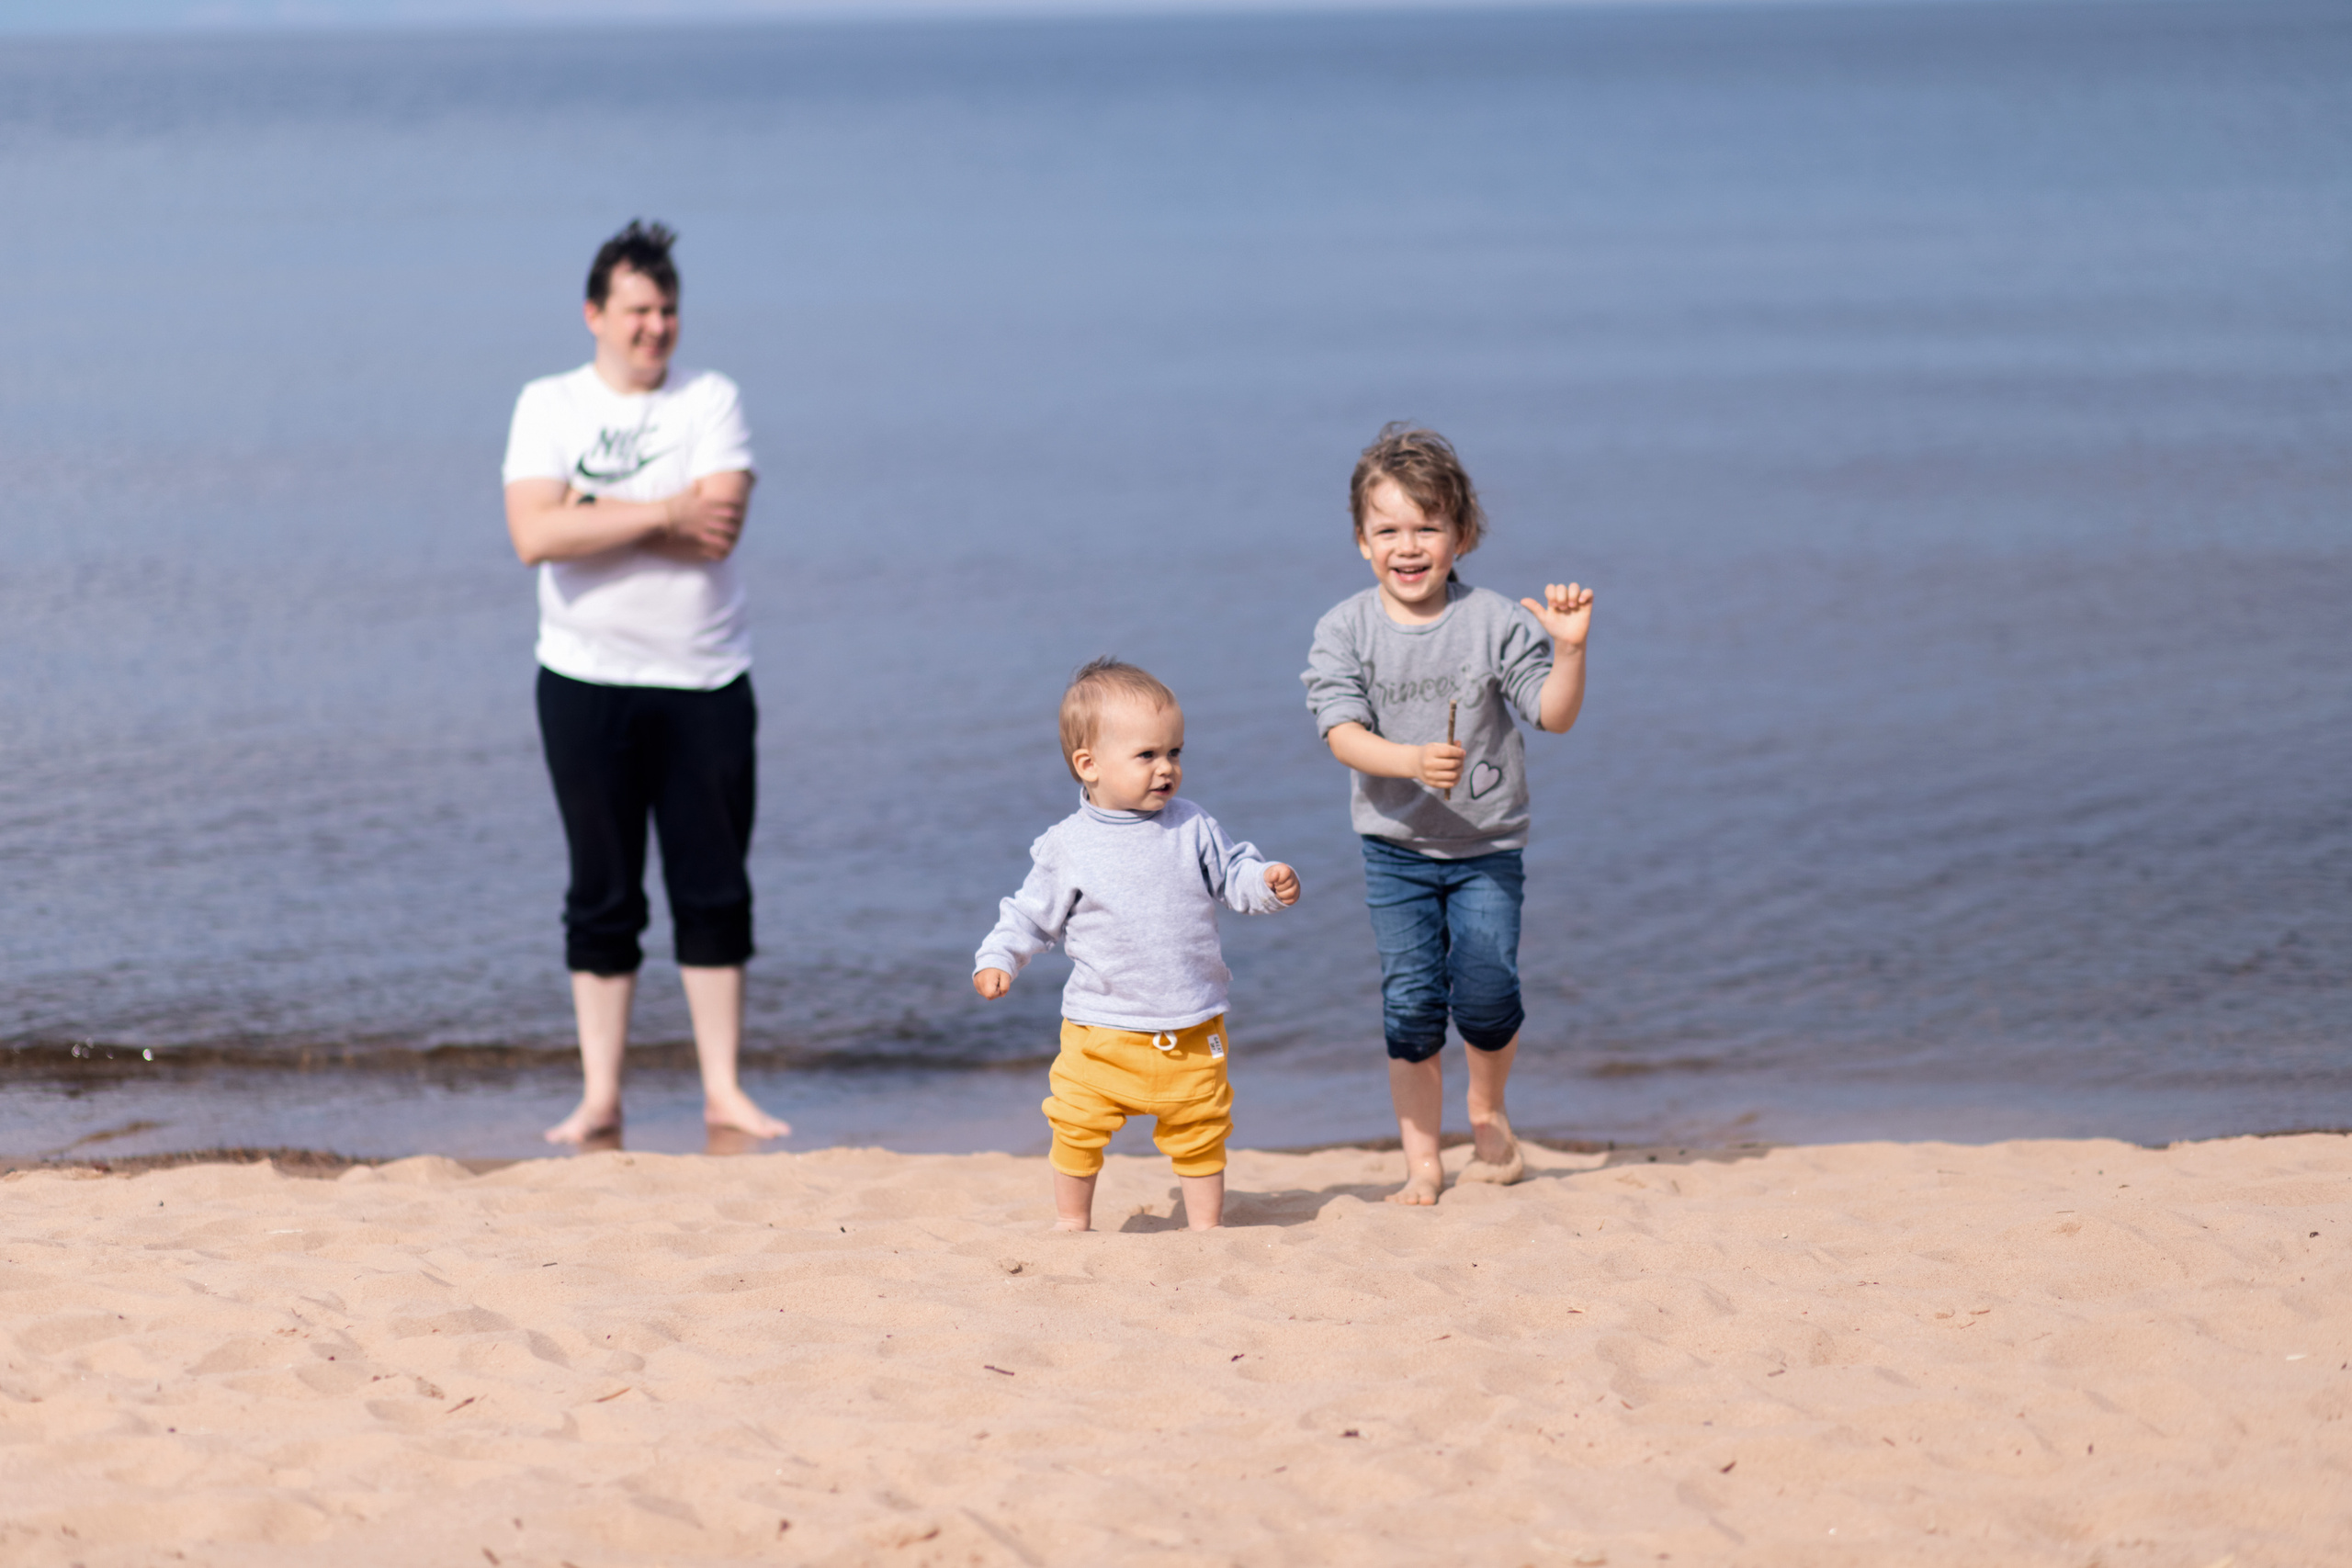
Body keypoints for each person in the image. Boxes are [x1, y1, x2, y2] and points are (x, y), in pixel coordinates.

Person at [501, 219, 788, 1147]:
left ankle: (723, 1092)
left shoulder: (714, 398)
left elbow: (720, 530)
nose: (654, 327)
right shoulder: (547, 403)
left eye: (667, 309)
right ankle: (600, 1098)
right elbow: (532, 537)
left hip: (705, 680)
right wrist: (664, 506)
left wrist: (594, 510)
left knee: (713, 888)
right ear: (594, 314)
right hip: (584, 682)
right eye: (636, 310)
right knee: (602, 891)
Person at [1300, 424, 1594, 1206]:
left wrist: (1568, 651)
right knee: (1412, 1004)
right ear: (1363, 541)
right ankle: (1423, 1160)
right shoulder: (1345, 629)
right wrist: (1409, 760)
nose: (1409, 545)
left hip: (1487, 844)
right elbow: (1341, 733)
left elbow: (1552, 715)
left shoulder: (1495, 619)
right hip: (1393, 847)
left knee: (1489, 992)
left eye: (1427, 526)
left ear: (1461, 534)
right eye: (1388, 529)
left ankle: (1488, 1109)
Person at [972, 660, 1301, 1232]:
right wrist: (1000, 957)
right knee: (1076, 1125)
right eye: (1147, 755)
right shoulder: (1068, 845)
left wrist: (1267, 883)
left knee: (1201, 1128)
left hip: (1193, 1025)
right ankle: (1072, 1222)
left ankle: (1206, 1229)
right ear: (1088, 765)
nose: (1166, 768)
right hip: (1101, 1031)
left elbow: (1234, 877)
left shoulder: (1192, 826)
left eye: (1175, 752)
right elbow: (1030, 914)